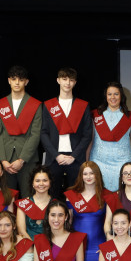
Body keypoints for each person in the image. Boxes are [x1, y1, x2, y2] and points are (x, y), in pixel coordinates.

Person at [40, 67, 92, 198]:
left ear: (75, 83)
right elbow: (44, 133)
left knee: (76, 197)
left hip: (75, 158)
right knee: (52, 196)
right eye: (64, 79)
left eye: (71, 80)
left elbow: (87, 135)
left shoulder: (83, 105)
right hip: (54, 158)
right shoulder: (48, 105)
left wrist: (73, 156)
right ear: (58, 81)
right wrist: (57, 155)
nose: (67, 83)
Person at [0, 65, 42, 197]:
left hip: (27, 159)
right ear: (9, 81)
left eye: (21, 79)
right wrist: (2, 160)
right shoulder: (0, 104)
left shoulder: (35, 104)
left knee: (28, 197)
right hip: (6, 160)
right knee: (7, 199)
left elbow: (35, 134)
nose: (17, 83)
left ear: (26, 82)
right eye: (14, 79)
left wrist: (22, 159)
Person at [65, 161, 108, 261]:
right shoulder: (71, 195)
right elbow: (68, 225)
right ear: (80, 176)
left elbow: (108, 226)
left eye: (92, 173)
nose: (88, 176)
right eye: (85, 173)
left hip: (98, 249)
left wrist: (107, 247)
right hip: (77, 247)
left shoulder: (107, 195)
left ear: (97, 175)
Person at [89, 81, 131, 192]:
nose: (113, 97)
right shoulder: (96, 115)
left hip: (123, 163)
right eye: (109, 94)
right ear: (105, 96)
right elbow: (90, 140)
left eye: (116, 94)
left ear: (121, 96)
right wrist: (87, 162)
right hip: (98, 162)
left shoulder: (129, 116)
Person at [16, 165, 52, 239]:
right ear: (32, 183)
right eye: (37, 181)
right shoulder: (24, 204)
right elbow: (21, 231)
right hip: (29, 245)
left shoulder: (56, 204)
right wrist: (34, 246)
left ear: (50, 183)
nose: (41, 184)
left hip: (51, 245)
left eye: (45, 180)